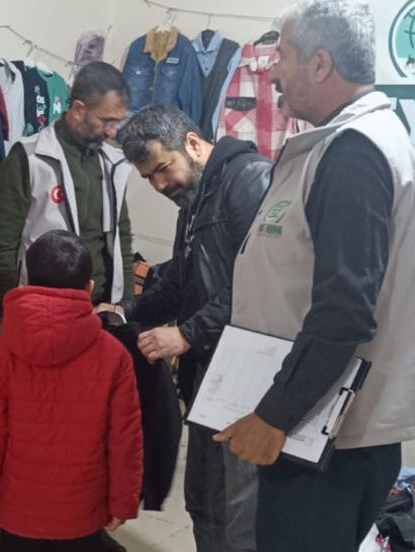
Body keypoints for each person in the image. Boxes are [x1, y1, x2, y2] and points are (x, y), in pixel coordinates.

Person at [216, 2, 415, 550]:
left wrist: (275, 415)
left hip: (323, 436)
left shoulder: (354, 152)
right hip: (321, 426)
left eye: (283, 55)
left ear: (319, 63)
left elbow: (345, 308)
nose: (272, 69)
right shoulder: (350, 142)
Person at [97, 104, 271, 552]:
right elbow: (178, 283)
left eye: (162, 169)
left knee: (243, 517)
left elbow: (260, 282)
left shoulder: (249, 180)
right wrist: (125, 310)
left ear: (192, 144)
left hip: (247, 379)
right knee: (203, 504)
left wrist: (187, 333)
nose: (159, 185)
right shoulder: (192, 204)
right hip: (208, 377)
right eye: (148, 178)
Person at [0, 229, 143, 552]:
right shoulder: (115, 356)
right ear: (89, 288)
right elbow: (125, 439)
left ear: (26, 282)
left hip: (18, 510)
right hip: (83, 512)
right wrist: (123, 502)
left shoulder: (2, 355)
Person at [0, 61, 135, 347]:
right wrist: (0, 317)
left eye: (119, 122)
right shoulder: (29, 156)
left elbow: (122, 239)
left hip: (101, 312)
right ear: (78, 109)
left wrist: (126, 308)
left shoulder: (113, 163)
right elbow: (2, 245)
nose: (113, 131)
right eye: (107, 121)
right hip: (42, 311)